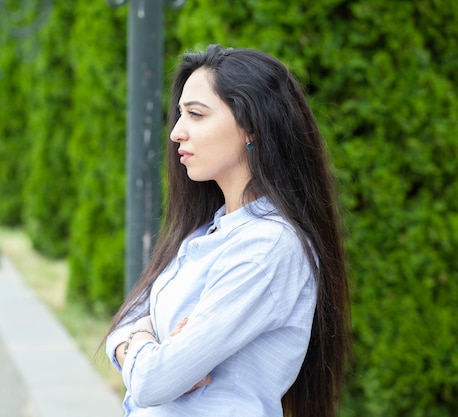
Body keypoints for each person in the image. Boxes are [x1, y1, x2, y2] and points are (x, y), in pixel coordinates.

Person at [104, 45, 351, 417]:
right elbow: (125, 323)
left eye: (196, 115)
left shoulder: (267, 247)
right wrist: (145, 336)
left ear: (251, 126)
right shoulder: (206, 230)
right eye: (179, 114)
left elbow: (153, 382)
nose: (175, 133)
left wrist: (145, 344)